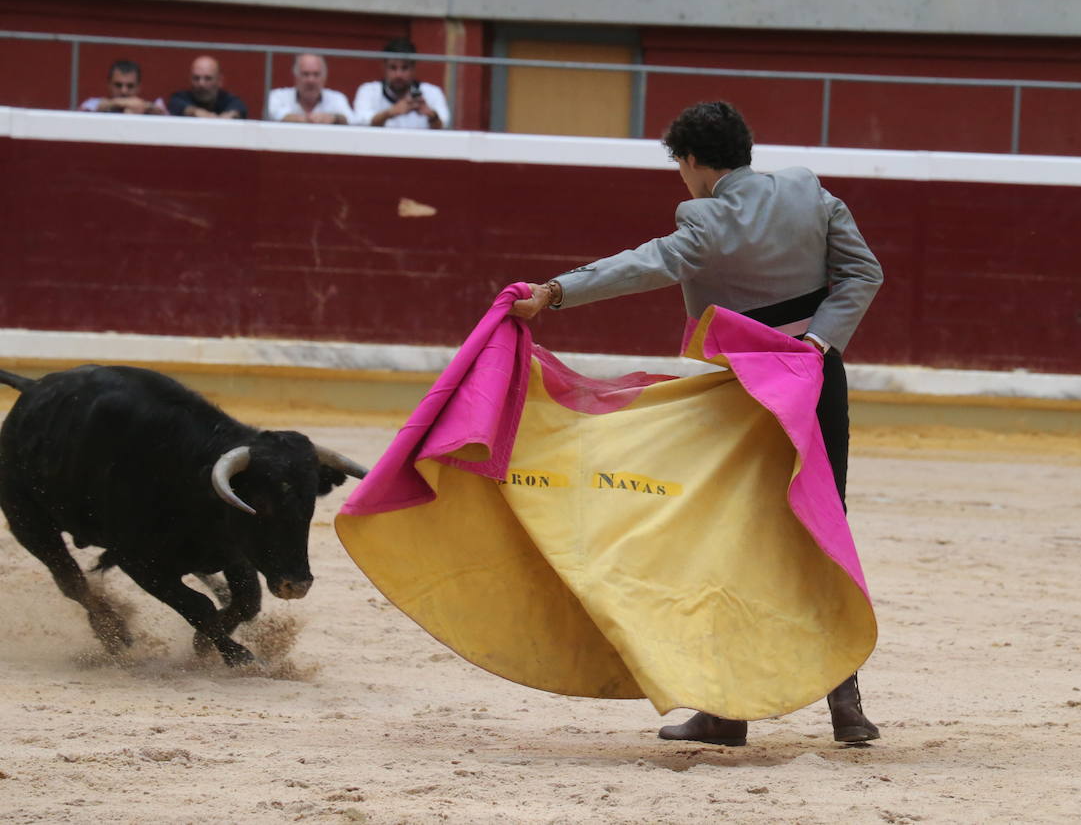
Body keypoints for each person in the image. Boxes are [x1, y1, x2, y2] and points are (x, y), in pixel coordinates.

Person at [511, 100, 884, 747]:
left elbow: (640, 264)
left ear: (692, 163)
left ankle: (726, 712)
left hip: (742, 395)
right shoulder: (808, 191)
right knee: (822, 526)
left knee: (727, 537)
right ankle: (845, 705)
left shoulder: (704, 218)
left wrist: (556, 291)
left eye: (679, 168)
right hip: (818, 386)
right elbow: (864, 274)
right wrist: (817, 346)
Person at [352, 37, 449, 130]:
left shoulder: (431, 92)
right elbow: (361, 122)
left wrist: (431, 115)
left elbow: (444, 125)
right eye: (393, 68)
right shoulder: (369, 90)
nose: (399, 75)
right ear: (384, 67)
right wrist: (390, 113)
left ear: (414, 68)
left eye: (405, 68)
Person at [267, 53, 355, 125]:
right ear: (295, 76)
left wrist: (334, 118)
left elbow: (351, 120)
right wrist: (305, 119)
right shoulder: (278, 96)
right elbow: (274, 114)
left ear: (324, 77)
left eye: (316, 74)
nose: (311, 80)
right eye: (305, 74)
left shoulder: (337, 98)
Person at [167, 56, 249, 119]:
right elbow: (176, 104)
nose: (201, 84)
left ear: (220, 81)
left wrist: (226, 117)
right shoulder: (180, 98)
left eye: (208, 78)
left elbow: (239, 109)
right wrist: (194, 112)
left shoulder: (230, 100)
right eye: (196, 78)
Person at [79, 60, 167, 115]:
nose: (124, 91)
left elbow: (162, 114)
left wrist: (144, 108)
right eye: (118, 85)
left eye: (130, 86)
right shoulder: (92, 104)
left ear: (138, 87)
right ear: (109, 85)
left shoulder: (153, 107)